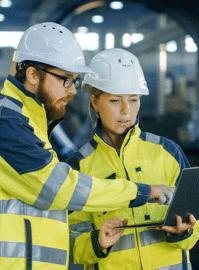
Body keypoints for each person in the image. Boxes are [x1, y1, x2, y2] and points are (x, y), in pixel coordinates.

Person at [0, 23, 174, 270]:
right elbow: (56, 188)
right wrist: (140, 192)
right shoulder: (7, 122)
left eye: (75, 81)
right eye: (66, 80)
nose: (72, 91)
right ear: (32, 75)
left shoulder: (29, 122)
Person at [68, 48, 199, 270]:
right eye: (115, 101)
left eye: (133, 99)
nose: (126, 111)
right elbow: (73, 240)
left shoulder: (168, 152)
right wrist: (98, 242)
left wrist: (186, 230)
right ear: (94, 102)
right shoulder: (79, 167)